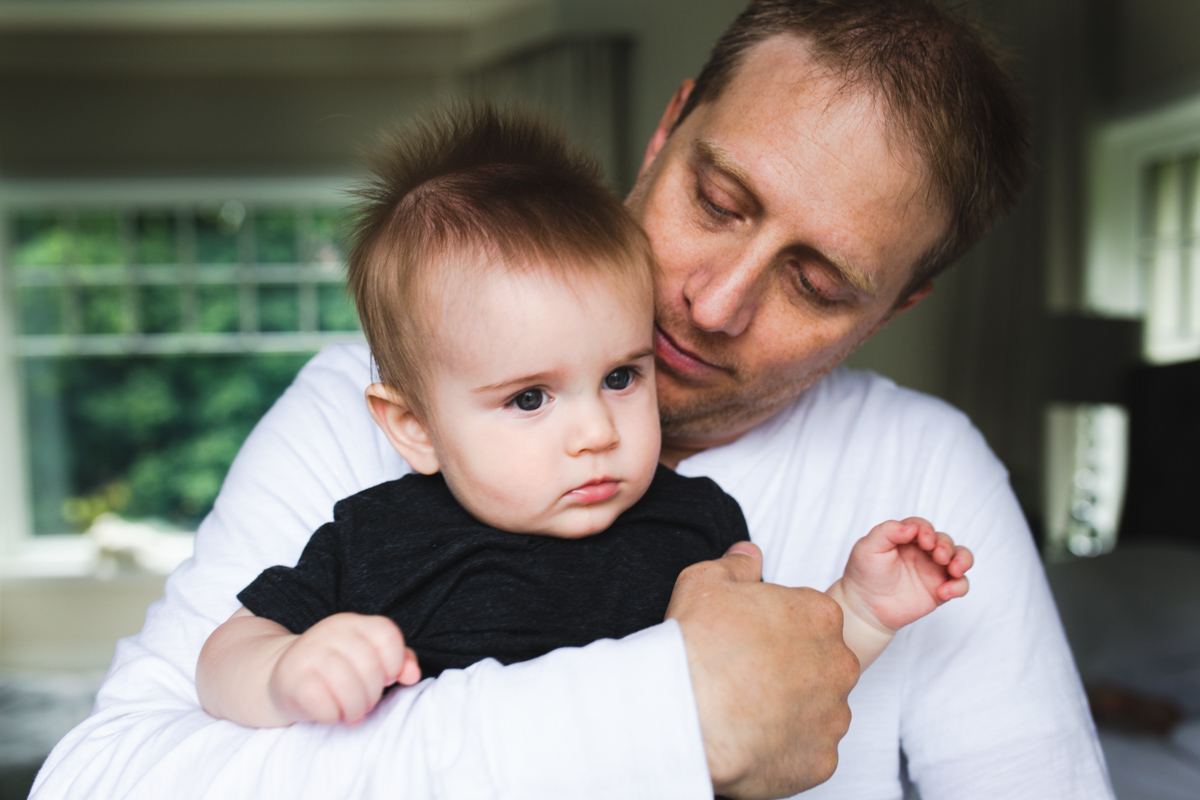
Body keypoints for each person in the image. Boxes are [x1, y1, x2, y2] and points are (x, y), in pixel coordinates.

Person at [32, 1, 1114, 798]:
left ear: (895, 305)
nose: (713, 301)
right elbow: (100, 779)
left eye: (816, 282)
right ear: (666, 131)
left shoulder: (922, 468)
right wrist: (674, 713)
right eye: (717, 199)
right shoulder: (357, 417)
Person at [193, 106, 973, 730]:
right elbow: (221, 657)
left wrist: (861, 612)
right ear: (415, 428)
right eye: (529, 398)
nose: (598, 432)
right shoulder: (376, 540)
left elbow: (779, 686)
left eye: (622, 376)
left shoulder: (697, 526)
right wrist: (286, 675)